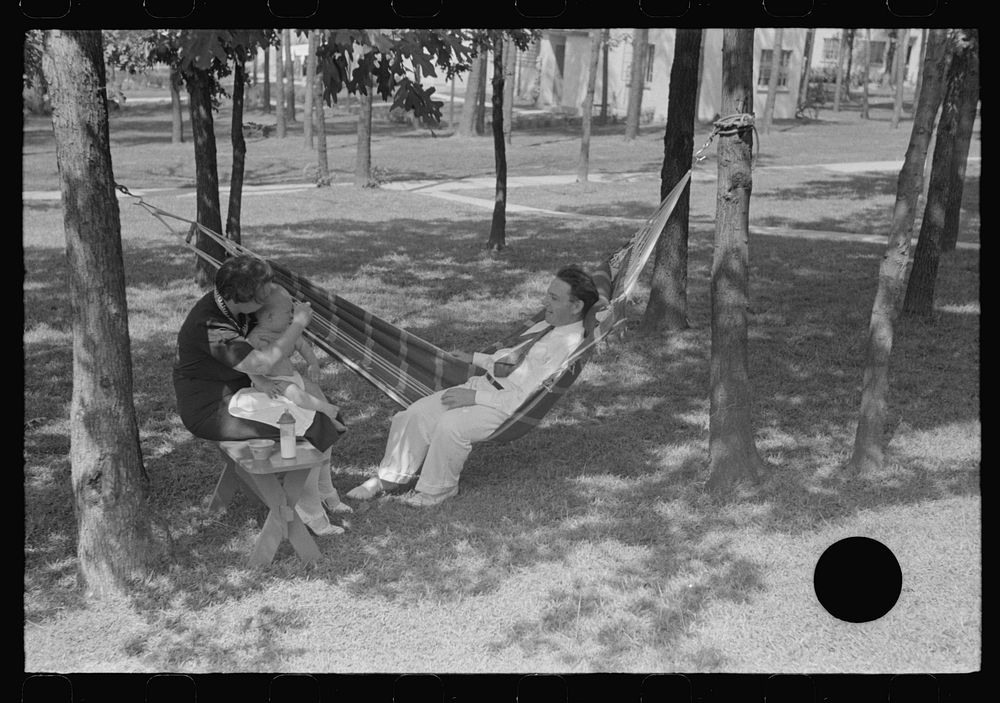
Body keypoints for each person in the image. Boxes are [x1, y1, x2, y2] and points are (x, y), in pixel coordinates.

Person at [346, 265, 599, 507]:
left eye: (554, 298)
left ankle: (437, 491)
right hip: (483, 385)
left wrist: (474, 397)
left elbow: (523, 398)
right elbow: (511, 359)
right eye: (547, 295)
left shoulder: (566, 346)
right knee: (415, 414)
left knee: (450, 426)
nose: (545, 303)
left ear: (576, 306)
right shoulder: (548, 324)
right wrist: (474, 358)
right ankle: (387, 479)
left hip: (503, 406)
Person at [172, 255, 349, 536]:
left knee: (324, 414)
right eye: (262, 296)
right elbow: (261, 364)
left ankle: (325, 492)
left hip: (248, 391)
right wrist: (298, 324)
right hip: (215, 407)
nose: (268, 298)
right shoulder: (210, 325)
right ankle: (309, 510)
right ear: (239, 298)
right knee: (316, 423)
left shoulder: (237, 306)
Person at [237, 285, 347, 432]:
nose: (292, 316)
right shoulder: (256, 338)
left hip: (292, 376)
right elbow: (251, 367)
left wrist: (313, 364)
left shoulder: (286, 332)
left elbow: (303, 347)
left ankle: (330, 419)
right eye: (288, 312)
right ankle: (323, 408)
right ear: (270, 317)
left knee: (313, 388)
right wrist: (263, 384)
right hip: (273, 382)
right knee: (294, 391)